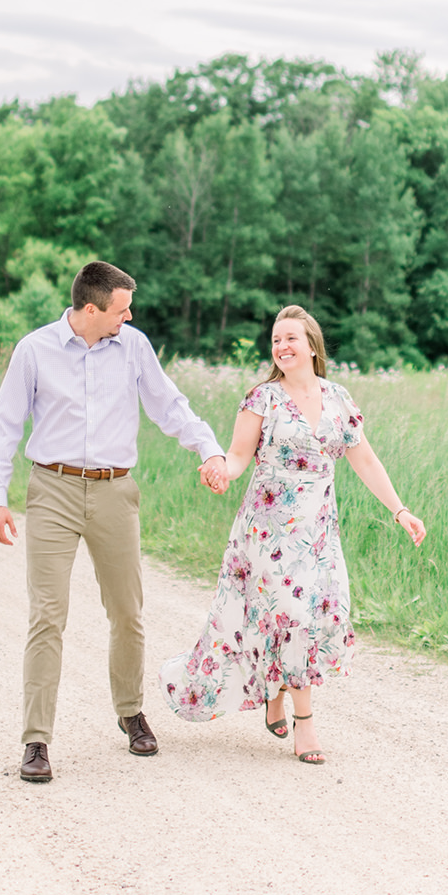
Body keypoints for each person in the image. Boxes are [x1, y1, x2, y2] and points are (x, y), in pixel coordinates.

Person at [0, 259, 229, 783]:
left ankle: (130, 710)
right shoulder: (35, 350)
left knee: (127, 610)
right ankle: (36, 741)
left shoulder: (134, 347)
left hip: (116, 491)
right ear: (90, 309)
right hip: (52, 488)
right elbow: (4, 423)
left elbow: (170, 405)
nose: (129, 315)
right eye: (121, 309)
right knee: (47, 615)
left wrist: (208, 450)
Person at [159, 305, 426, 763]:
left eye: (291, 338)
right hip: (268, 532)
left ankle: (276, 691)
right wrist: (221, 469)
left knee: (312, 617)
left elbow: (365, 461)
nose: (281, 346)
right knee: (290, 617)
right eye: (276, 340)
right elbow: (239, 456)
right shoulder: (262, 398)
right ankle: (306, 725)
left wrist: (400, 510)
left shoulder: (339, 399)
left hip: (318, 531)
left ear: (312, 346)